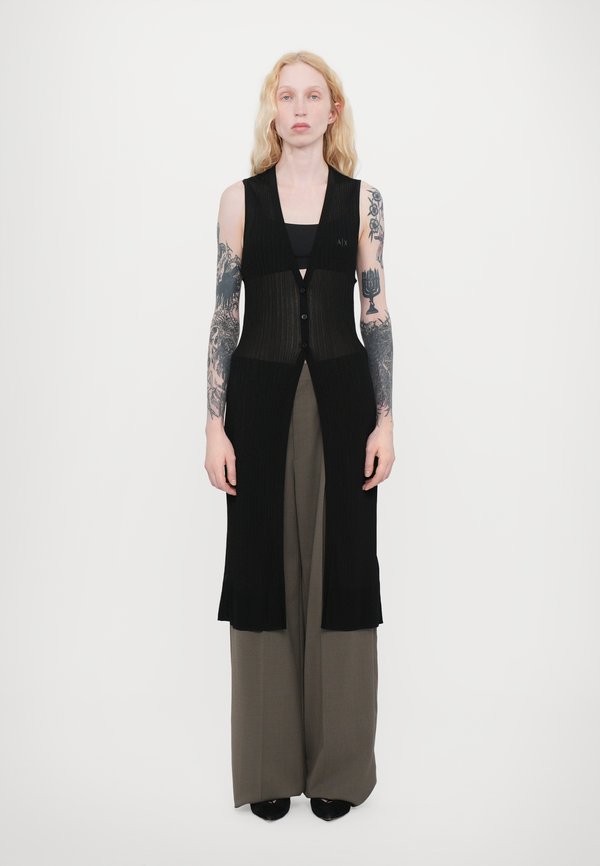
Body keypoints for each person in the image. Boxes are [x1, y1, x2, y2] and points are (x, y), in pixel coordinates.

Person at [204, 50, 395, 821]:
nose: (301, 108)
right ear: (273, 110)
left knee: (342, 568)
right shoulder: (239, 200)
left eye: (315, 96)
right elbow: (224, 315)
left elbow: (376, 314)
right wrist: (214, 425)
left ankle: (338, 770)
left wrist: (386, 418)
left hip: (346, 406)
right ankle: (268, 767)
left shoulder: (363, 200)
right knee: (262, 566)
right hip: (258, 406)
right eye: (288, 96)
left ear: (333, 110)